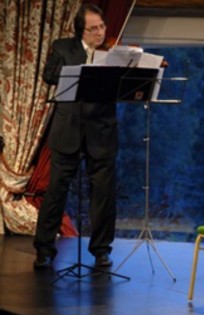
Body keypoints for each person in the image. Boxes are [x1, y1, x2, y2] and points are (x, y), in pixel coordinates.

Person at [33, 4, 117, 270]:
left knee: (103, 193)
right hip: (68, 127)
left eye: (102, 27)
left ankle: (101, 250)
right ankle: (44, 249)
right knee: (56, 191)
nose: (99, 33)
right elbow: (48, 75)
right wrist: (82, 71)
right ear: (81, 29)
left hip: (101, 130)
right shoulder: (63, 47)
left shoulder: (113, 53)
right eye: (93, 28)